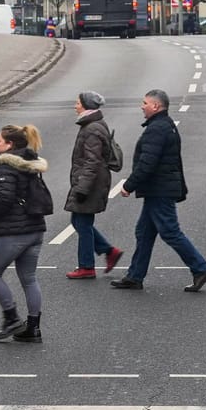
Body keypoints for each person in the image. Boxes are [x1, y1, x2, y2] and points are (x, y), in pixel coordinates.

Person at [111, 89, 206, 293]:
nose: (142, 106)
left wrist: (129, 185)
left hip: (160, 189)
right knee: (144, 232)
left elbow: (148, 162)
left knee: (170, 231)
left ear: (156, 106)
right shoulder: (164, 125)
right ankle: (135, 276)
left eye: (145, 103)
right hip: (159, 188)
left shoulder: (157, 129)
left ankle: (200, 268)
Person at [0, 123, 50, 342]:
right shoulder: (31, 162)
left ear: (9, 145)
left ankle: (11, 318)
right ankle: (33, 329)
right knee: (29, 279)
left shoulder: (6, 166)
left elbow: (4, 197)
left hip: (14, 232)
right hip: (34, 229)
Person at [65, 92, 124, 280]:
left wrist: (82, 188)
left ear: (85, 106)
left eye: (77, 103)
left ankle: (86, 266)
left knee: (82, 223)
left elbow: (92, 161)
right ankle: (109, 251)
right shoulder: (92, 125)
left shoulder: (91, 129)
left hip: (91, 183)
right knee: (78, 221)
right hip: (92, 181)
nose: (75, 106)